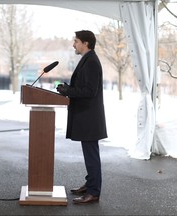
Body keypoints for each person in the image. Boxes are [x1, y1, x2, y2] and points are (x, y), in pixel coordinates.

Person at [56, 30, 107, 204]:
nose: (73, 44)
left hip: (89, 117)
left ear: (85, 43)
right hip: (87, 116)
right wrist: (68, 88)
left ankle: (93, 192)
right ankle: (90, 184)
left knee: (91, 155)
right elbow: (85, 86)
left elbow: (90, 91)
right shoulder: (88, 59)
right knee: (90, 154)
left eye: (76, 41)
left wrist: (68, 91)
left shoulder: (91, 61)